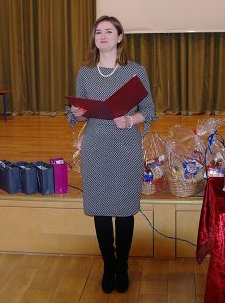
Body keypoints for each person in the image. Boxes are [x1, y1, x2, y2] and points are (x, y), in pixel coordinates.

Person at [67, 15, 157, 294]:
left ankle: (123, 266)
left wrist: (130, 120)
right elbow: (79, 115)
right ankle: (108, 265)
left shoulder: (135, 71)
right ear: (94, 39)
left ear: (119, 38)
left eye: (109, 31)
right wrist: (77, 113)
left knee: (125, 209)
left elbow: (149, 111)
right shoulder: (85, 73)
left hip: (125, 146)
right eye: (98, 32)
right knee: (101, 210)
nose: (103, 36)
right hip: (96, 147)